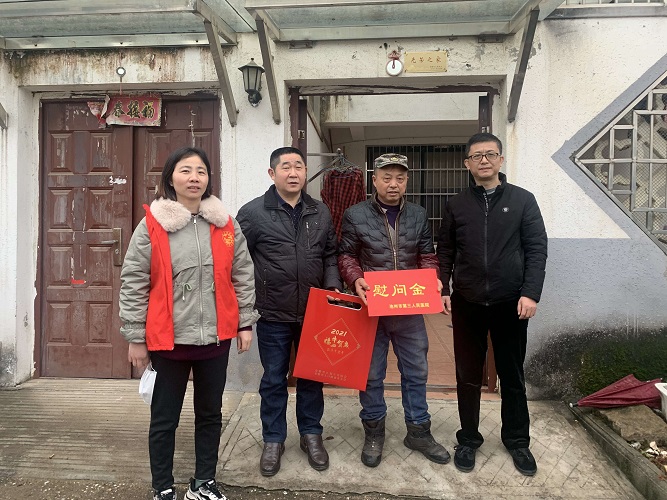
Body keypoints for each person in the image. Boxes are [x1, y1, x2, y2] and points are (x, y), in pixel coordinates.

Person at [119, 146, 259, 500]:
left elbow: (242, 274)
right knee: (164, 418)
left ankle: (203, 483)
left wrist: (244, 323)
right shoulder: (152, 224)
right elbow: (134, 280)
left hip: (215, 338)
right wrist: (135, 336)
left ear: (209, 179)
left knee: (210, 414)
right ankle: (163, 487)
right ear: (171, 178)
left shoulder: (225, 223)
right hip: (169, 339)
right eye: (185, 170)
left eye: (201, 171)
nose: (194, 178)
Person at [437, 132, 548, 476]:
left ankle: (517, 440)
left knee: (511, 375)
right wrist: (443, 288)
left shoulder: (523, 200)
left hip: (510, 302)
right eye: (476, 156)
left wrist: (530, 293)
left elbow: (536, 248)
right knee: (467, 375)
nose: (483, 160)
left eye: (490, 154)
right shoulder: (456, 204)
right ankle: (468, 438)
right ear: (467, 164)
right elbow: (446, 250)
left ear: (501, 159)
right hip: (467, 301)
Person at [338, 153, 451, 468]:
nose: (393, 184)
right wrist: (355, 279)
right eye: (386, 178)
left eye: (399, 178)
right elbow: (346, 254)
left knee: (416, 371)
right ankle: (374, 431)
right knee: (371, 373)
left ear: (406, 181)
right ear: (374, 180)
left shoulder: (418, 214)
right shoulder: (355, 215)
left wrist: (433, 278)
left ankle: (418, 430)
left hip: (408, 308)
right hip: (371, 308)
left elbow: (427, 253)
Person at [236, 146, 342, 477]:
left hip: (314, 311)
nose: (293, 172)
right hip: (272, 313)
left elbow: (330, 254)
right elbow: (237, 261)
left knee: (312, 376)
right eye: (286, 167)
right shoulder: (253, 213)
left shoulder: (320, 211)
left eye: (299, 166)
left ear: (305, 172)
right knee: (273, 379)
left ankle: (311, 434)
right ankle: (273, 439)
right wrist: (244, 306)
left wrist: (333, 287)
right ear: (272, 173)